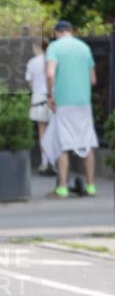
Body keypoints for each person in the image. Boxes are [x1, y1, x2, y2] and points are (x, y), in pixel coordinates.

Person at [42, 19, 98, 198]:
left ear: (57, 32)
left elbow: (50, 74)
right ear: (71, 31)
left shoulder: (55, 47)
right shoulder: (84, 48)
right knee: (86, 143)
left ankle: (63, 188)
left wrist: (50, 96)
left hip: (64, 102)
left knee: (63, 145)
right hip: (84, 102)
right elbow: (93, 80)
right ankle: (90, 186)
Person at [24, 37, 54, 176]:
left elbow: (30, 83)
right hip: (53, 96)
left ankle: (44, 162)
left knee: (42, 131)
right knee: (53, 130)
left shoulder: (32, 62)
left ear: (36, 47)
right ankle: (53, 161)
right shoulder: (52, 60)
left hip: (38, 97)